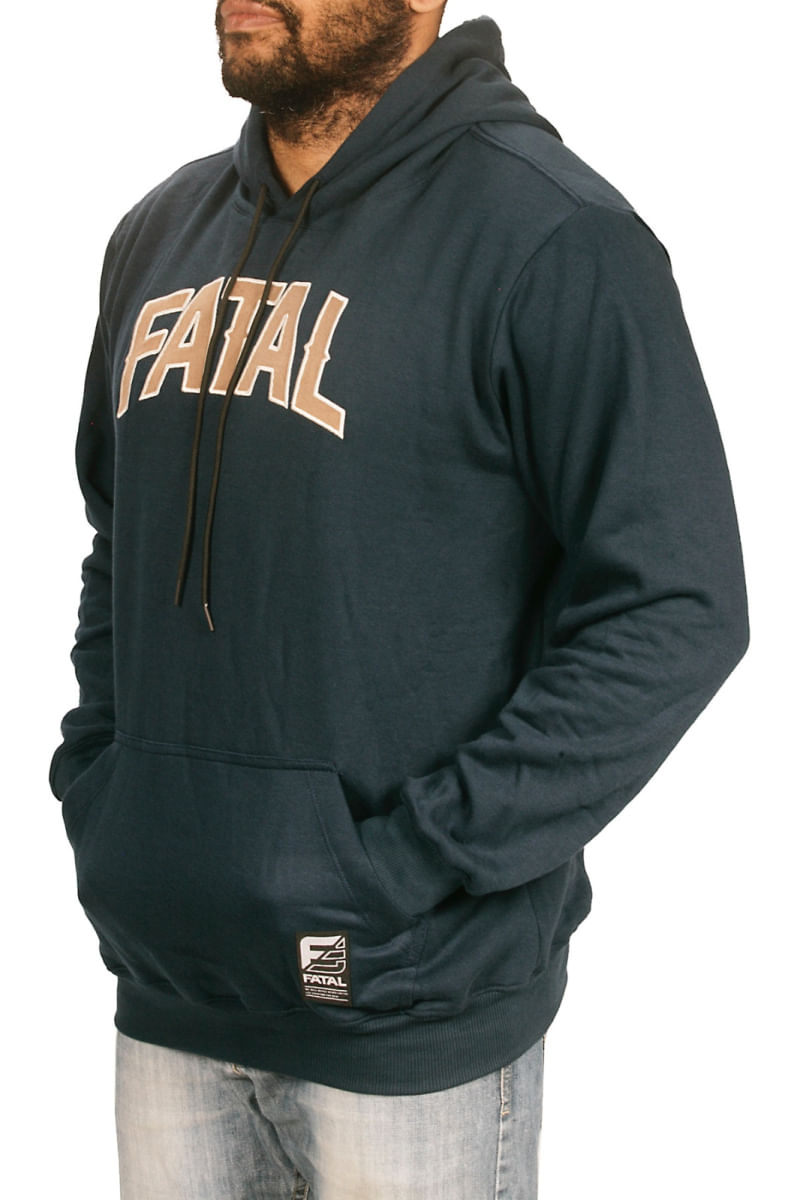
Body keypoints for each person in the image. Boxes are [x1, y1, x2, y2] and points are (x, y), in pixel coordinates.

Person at [50, 1, 749, 1196]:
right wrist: (105, 791)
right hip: (169, 983)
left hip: (406, 1012)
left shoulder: (550, 235)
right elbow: (122, 539)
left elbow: (673, 605)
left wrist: (411, 863)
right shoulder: (156, 234)